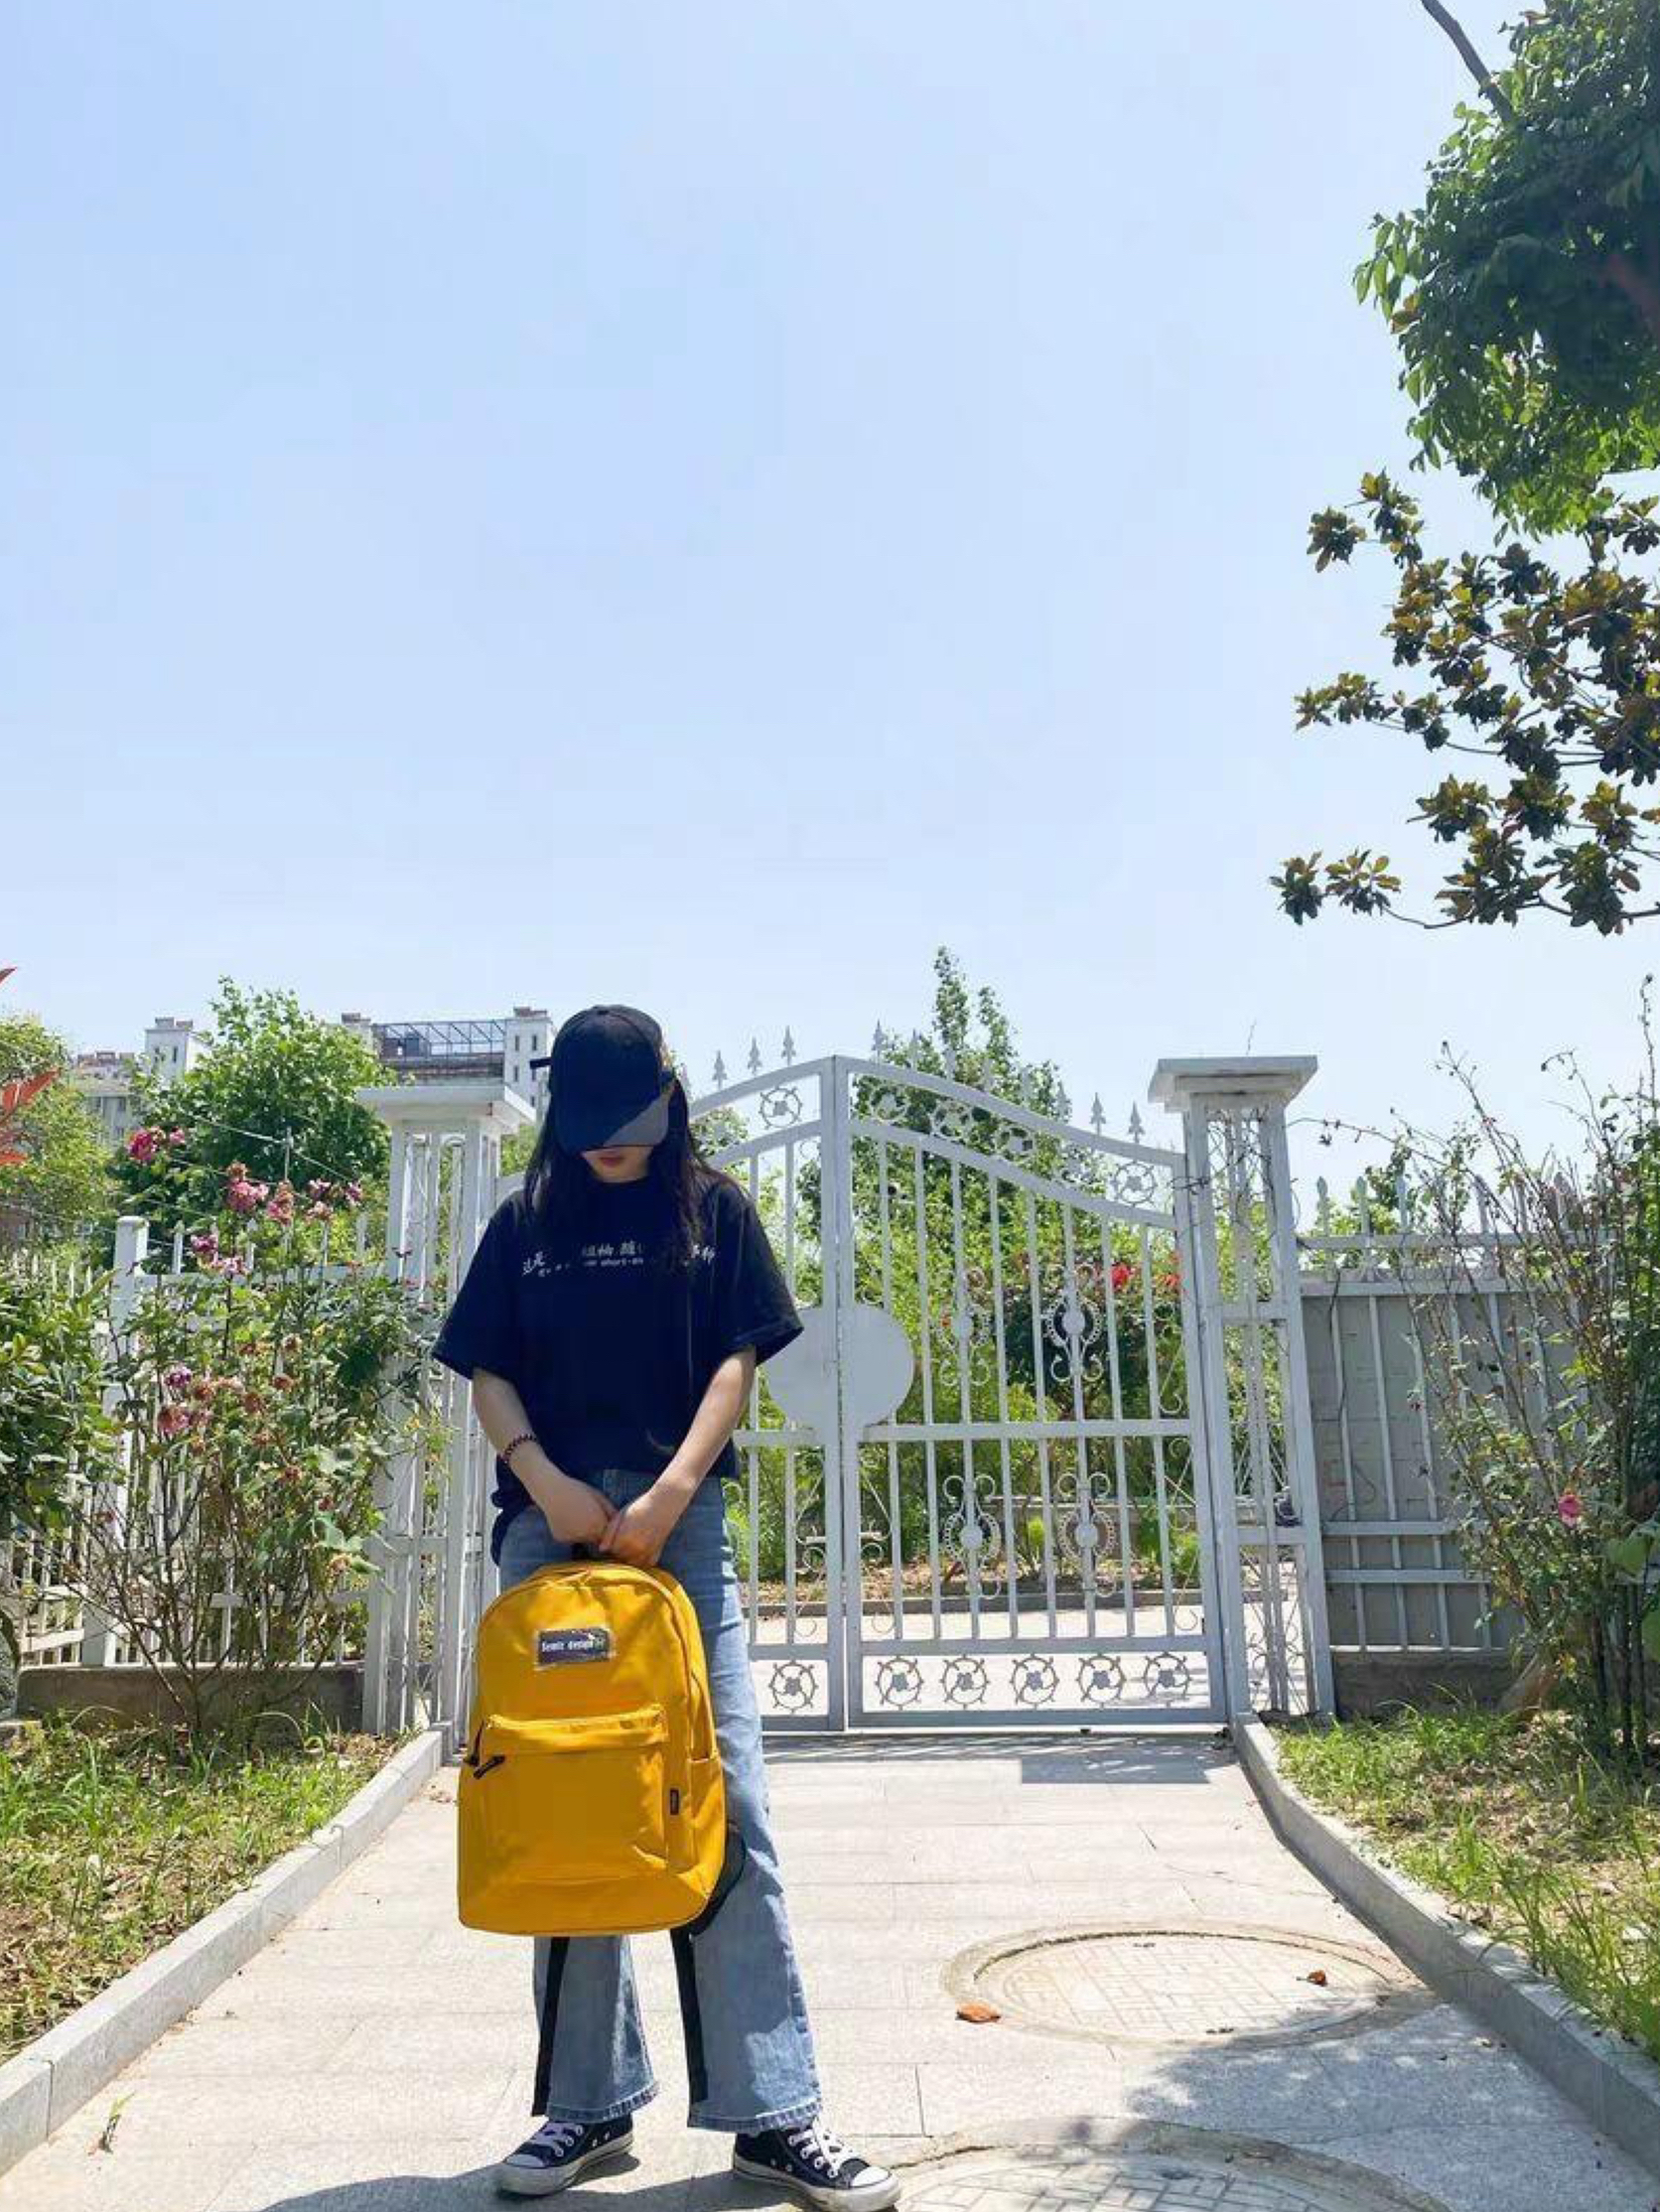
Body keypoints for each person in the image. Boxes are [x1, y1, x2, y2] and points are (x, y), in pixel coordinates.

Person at [433, 1004, 900, 2209]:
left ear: (668, 1099)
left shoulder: (714, 1210)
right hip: (547, 1526)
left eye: (629, 1121)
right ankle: (586, 2105)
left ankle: (775, 2112)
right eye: (590, 1123)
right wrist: (543, 1476)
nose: (610, 1143)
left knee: (726, 1795)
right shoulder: (526, 1221)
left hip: (680, 1530)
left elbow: (734, 1365)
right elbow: (488, 1368)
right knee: (565, 1801)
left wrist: (671, 1491)